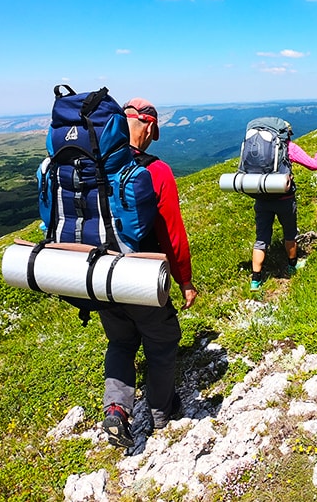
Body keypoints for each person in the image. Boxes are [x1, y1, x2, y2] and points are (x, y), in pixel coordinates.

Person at [99, 97, 199, 449]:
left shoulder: (92, 166)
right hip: (140, 277)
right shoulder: (155, 171)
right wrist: (184, 280)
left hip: (97, 279)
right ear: (151, 127)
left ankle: (116, 409)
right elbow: (173, 234)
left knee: (121, 342)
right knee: (161, 342)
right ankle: (160, 414)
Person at [249, 124, 317, 291]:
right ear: (286, 133)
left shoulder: (256, 147)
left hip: (261, 198)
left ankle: (255, 280)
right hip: (285, 199)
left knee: (261, 239)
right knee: (289, 233)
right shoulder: (288, 147)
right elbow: (313, 165)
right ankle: (292, 266)